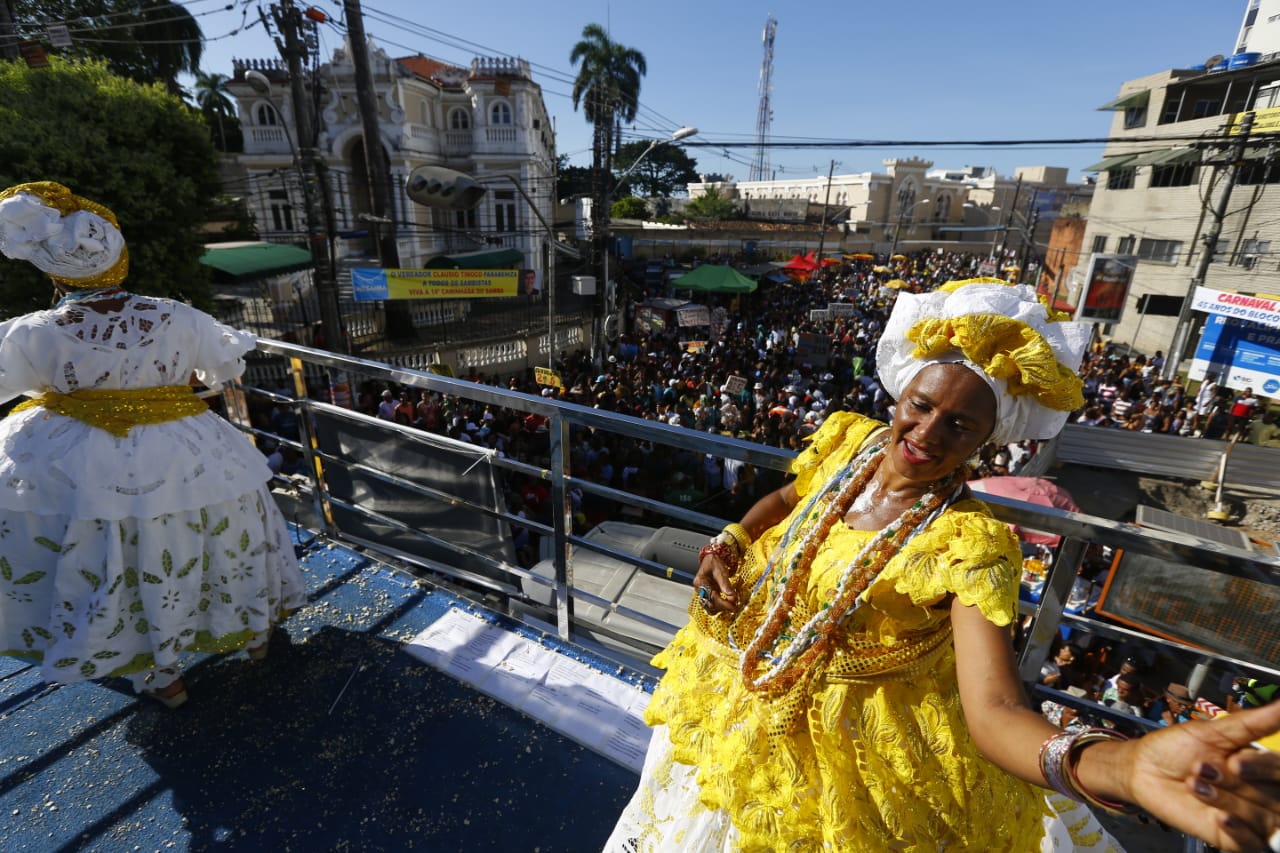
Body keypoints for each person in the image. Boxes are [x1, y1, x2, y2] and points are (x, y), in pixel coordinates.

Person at [606, 279, 1280, 852]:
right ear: (899, 392)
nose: (927, 433)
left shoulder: (970, 544)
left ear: (991, 438)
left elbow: (994, 709)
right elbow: (789, 496)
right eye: (922, 405)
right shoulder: (849, 442)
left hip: (849, 762)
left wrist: (1122, 765)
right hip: (737, 701)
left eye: (960, 424)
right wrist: (729, 539)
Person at [0, 182, 306, 708]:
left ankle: (161, 676)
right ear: (119, 255)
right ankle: (255, 637)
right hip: (189, 448)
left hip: (81, 460)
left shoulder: (32, 332)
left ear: (54, 270)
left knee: (120, 560)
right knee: (219, 539)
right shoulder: (176, 315)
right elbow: (223, 369)